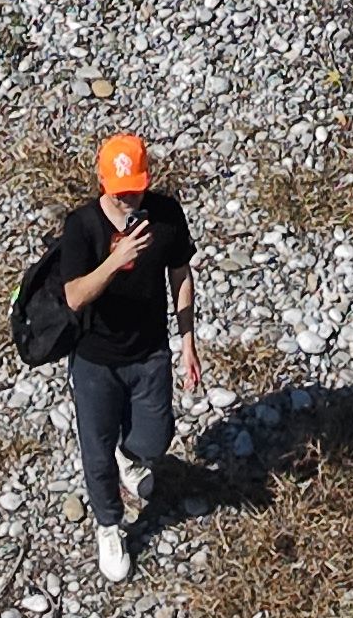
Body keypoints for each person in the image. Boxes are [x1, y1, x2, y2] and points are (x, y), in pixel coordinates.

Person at [21, 135, 212, 580]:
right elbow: (72, 296)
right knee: (95, 453)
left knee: (156, 436)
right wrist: (115, 259)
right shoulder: (82, 227)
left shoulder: (165, 216)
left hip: (149, 352)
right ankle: (109, 524)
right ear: (103, 182)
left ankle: (132, 456)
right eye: (121, 190)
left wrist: (188, 342)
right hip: (94, 360)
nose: (130, 198)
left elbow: (180, 273)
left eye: (137, 187)